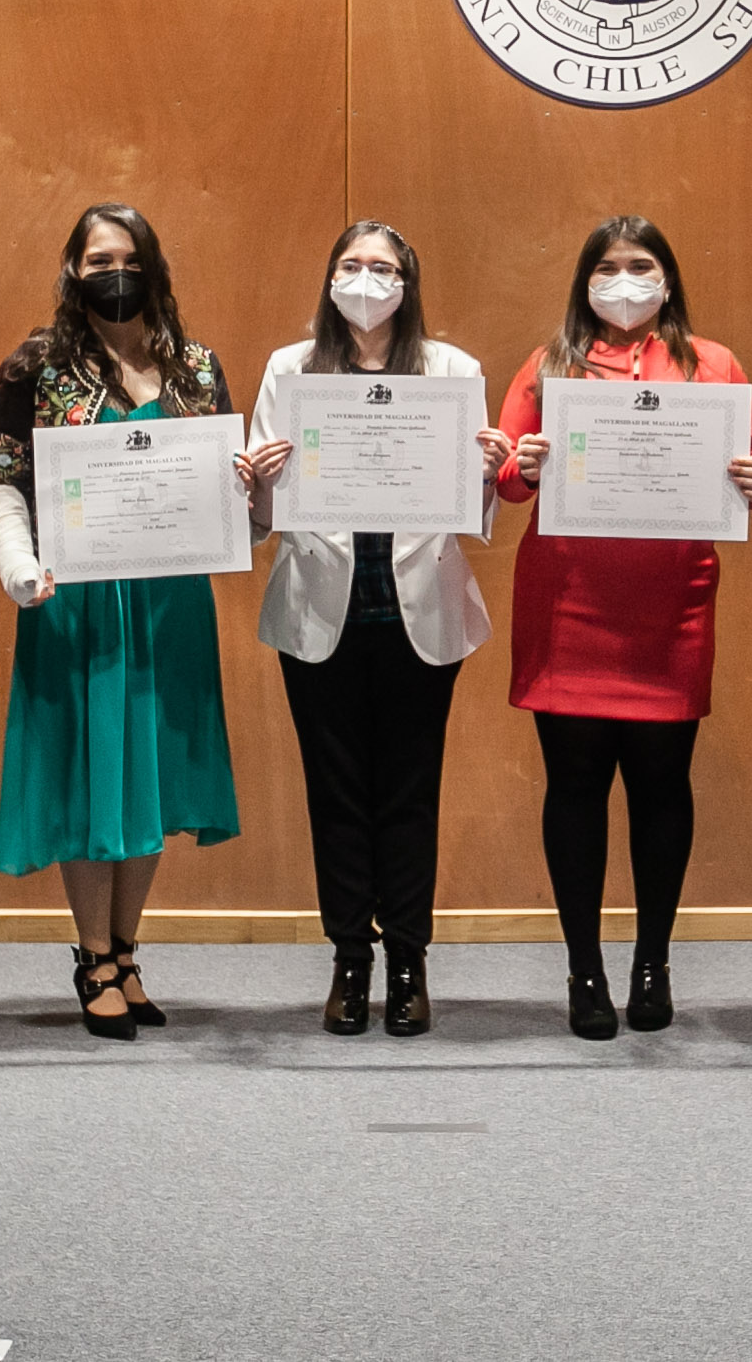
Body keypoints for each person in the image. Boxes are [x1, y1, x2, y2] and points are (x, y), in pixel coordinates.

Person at [496, 217, 752, 1039]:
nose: (624, 280)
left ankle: (652, 962)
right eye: (607, 267)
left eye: (641, 265)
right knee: (574, 788)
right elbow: (506, 481)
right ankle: (584, 969)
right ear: (584, 281)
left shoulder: (712, 363)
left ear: (668, 276)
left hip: (671, 609)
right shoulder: (549, 364)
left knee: (662, 788)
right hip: (570, 605)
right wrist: (524, 466)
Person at [0, 203, 243, 1041]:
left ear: (152, 266)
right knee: (91, 775)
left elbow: (224, 492)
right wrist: (17, 565)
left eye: (125, 257)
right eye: (96, 259)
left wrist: (250, 487)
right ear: (72, 270)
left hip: (169, 603)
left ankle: (127, 949)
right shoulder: (34, 365)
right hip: (72, 599)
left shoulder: (198, 368)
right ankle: (91, 954)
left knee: (150, 774)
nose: (111, 272)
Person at [242, 221, 511, 1037]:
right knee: (335, 796)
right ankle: (348, 959)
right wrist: (259, 483)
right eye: (351, 266)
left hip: (418, 612)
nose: (366, 279)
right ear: (328, 278)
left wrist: (490, 472)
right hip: (318, 610)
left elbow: (471, 509)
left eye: (382, 267)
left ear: (409, 280)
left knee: (407, 792)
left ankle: (408, 959)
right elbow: (259, 516)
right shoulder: (290, 370)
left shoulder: (451, 370)